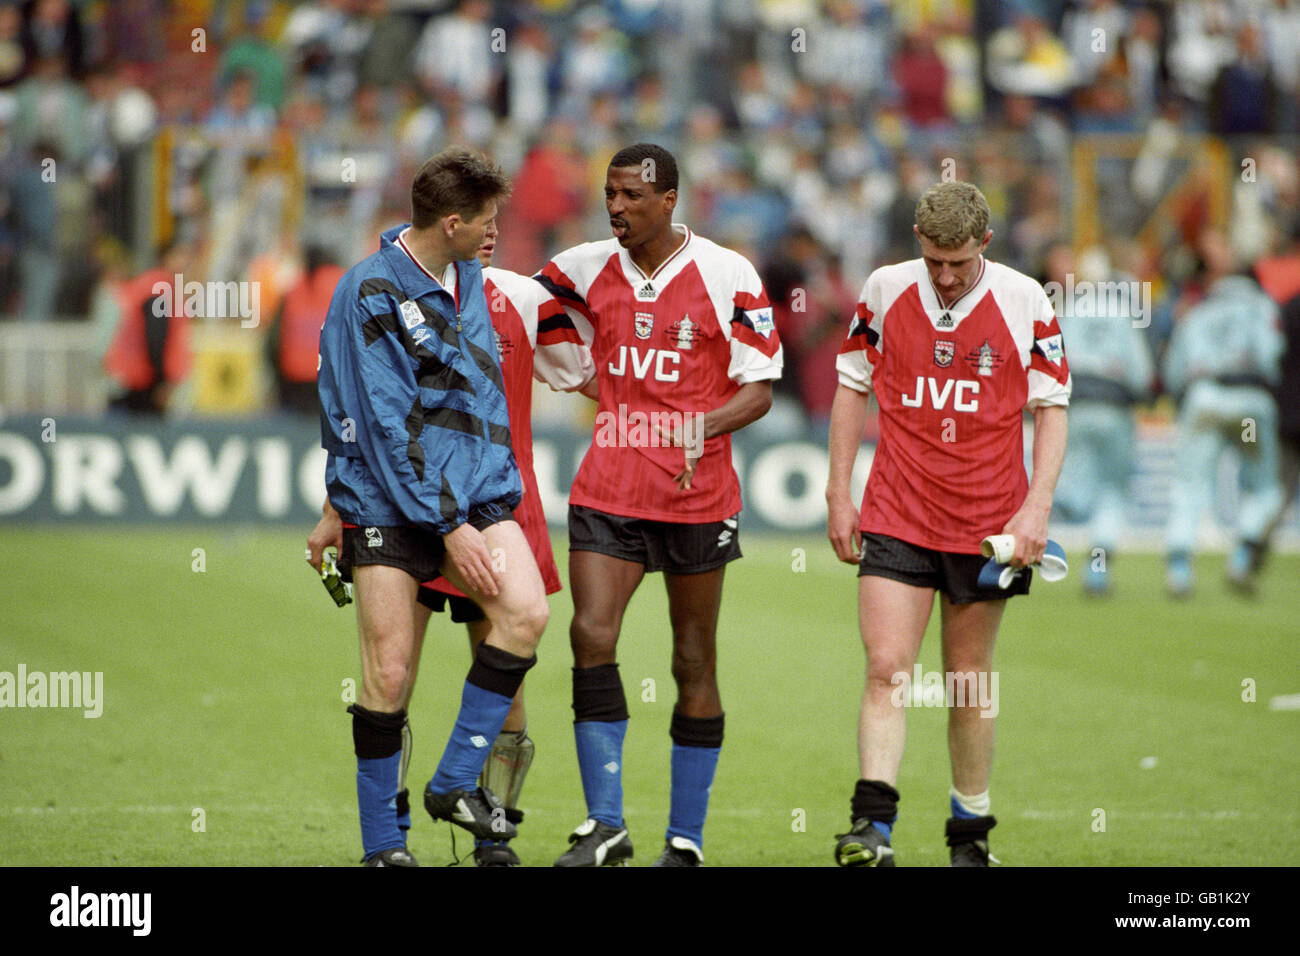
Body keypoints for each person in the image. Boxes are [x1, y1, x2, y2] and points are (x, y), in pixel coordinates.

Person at [308, 228, 593, 866]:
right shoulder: (389, 293)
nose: (492, 231)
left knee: (510, 679)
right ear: (447, 222)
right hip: (403, 506)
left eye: (498, 219)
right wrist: (335, 506)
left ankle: (493, 833)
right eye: (478, 218)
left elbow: (589, 377)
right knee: (391, 674)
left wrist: (675, 420)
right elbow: (368, 412)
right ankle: (391, 838)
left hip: (495, 503)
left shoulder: (523, 297)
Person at [534, 143, 783, 867]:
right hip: (608, 488)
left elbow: (758, 387)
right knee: (589, 633)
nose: (616, 206)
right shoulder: (578, 268)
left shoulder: (727, 273)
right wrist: (595, 385)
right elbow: (530, 318)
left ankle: (686, 840)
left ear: (669, 199)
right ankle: (605, 824)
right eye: (609, 193)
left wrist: (695, 428)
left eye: (632, 196)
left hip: (695, 495)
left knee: (692, 658)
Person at [826, 181, 1071, 867]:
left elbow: (1052, 409)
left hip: (988, 520)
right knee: (885, 667)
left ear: (984, 245)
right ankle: (871, 829)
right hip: (898, 509)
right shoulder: (882, 289)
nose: (944, 274)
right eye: (932, 259)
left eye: (958, 262)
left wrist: (1036, 509)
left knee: (967, 678)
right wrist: (837, 494)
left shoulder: (1026, 300)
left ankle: (971, 835)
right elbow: (851, 386)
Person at [1163, 230, 1284, 596]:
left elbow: (1173, 369)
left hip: (1205, 401)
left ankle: (1180, 568)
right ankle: (1243, 556)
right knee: (1264, 487)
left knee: (1190, 484)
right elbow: (1272, 354)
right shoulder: (1260, 306)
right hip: (1248, 406)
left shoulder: (1196, 311)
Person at [1044, 243, 1154, 595]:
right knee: (1112, 492)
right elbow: (1141, 372)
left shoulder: (1068, 310)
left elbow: (1051, 360)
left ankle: (1058, 517)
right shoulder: (1122, 313)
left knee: (1076, 484)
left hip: (1077, 407)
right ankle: (1097, 567)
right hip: (1115, 408)